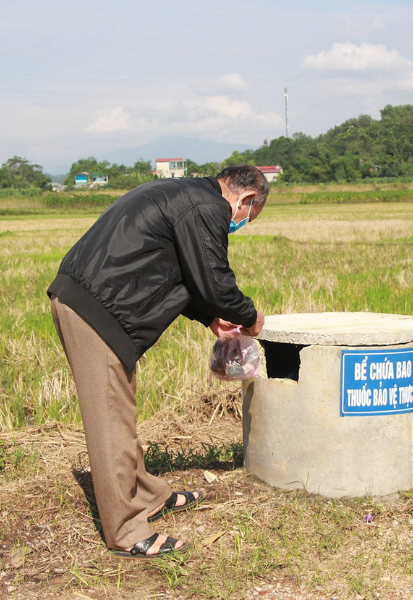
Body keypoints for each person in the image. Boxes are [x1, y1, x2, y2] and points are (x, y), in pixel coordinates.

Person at [47, 165, 267, 558]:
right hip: (95, 309)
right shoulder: (208, 207)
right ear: (246, 199)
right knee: (110, 419)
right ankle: (127, 532)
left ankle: (148, 495)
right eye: (248, 218)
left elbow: (183, 272)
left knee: (120, 408)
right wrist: (249, 316)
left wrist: (208, 317)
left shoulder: (186, 196)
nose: (239, 224)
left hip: (96, 303)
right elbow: (215, 280)